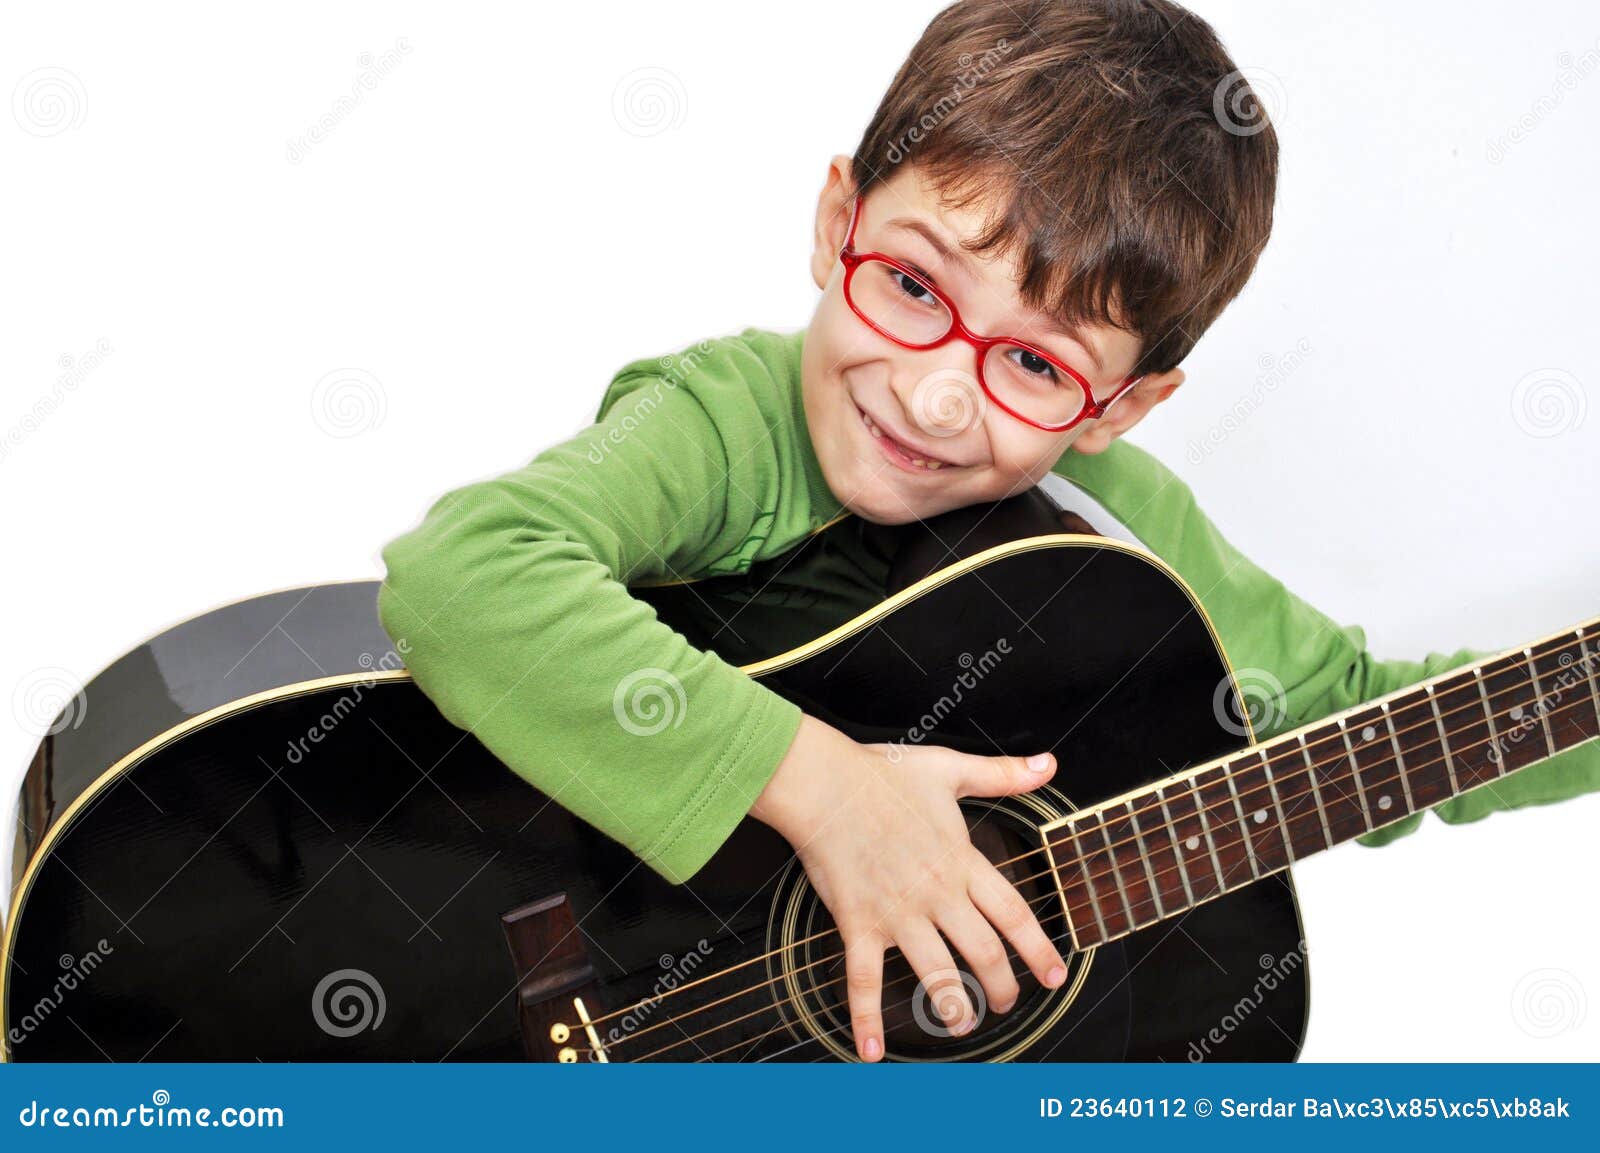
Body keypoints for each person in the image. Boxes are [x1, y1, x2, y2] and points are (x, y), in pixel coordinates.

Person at [375, 0, 1600, 1062]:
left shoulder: (1127, 531)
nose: (935, 395)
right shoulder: (729, 424)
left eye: (1031, 362)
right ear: (836, 220)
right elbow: (463, 577)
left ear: (1120, 407)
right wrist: (830, 796)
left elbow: (1361, 731)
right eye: (911, 287)